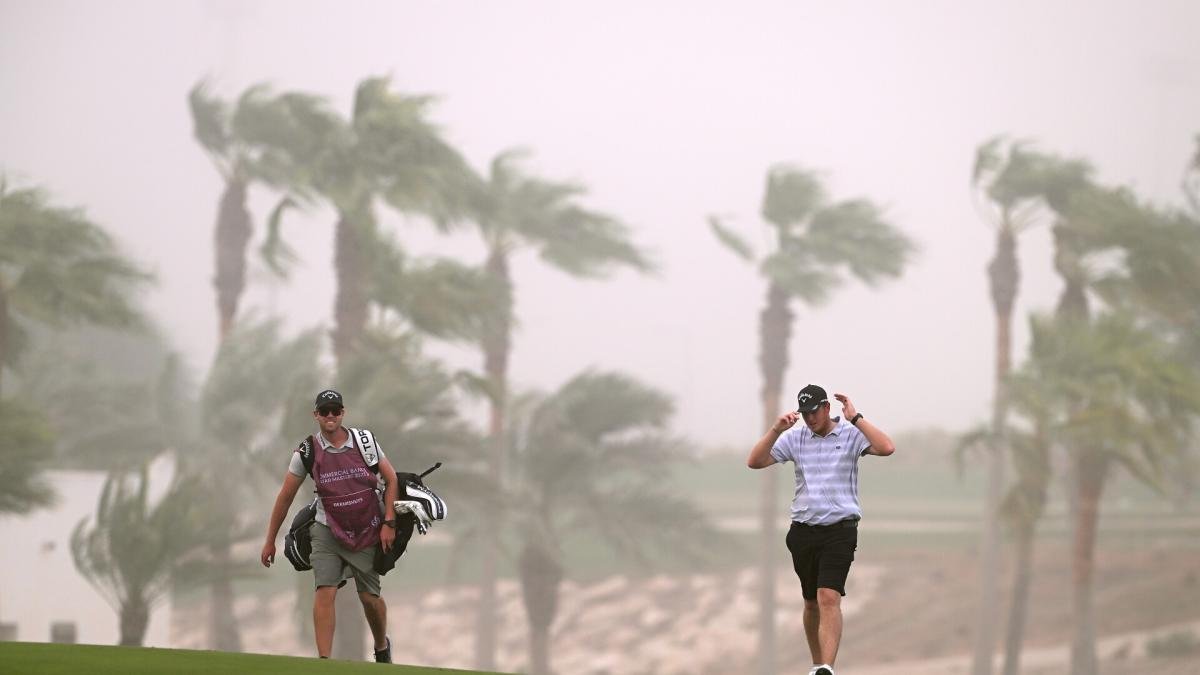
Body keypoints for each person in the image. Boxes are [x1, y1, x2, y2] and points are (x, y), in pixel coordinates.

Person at [746, 384, 895, 675]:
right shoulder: (795, 438)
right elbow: (755, 461)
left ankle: (827, 666)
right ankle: (818, 665)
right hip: (803, 531)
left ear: (827, 408)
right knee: (811, 602)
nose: (809, 418)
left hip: (840, 530)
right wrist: (776, 429)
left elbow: (887, 447)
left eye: (814, 411)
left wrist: (856, 417)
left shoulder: (851, 434)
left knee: (829, 596)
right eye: (804, 413)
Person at [261, 389, 400, 662]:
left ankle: (382, 646)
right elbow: (285, 496)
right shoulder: (307, 451)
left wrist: (389, 523)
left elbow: (392, 480)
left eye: (335, 410)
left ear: (342, 413)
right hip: (326, 530)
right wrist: (269, 540)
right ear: (316, 415)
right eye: (324, 411)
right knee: (325, 589)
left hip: (367, 529)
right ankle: (324, 661)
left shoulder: (365, 442)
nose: (330, 416)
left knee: (370, 598)